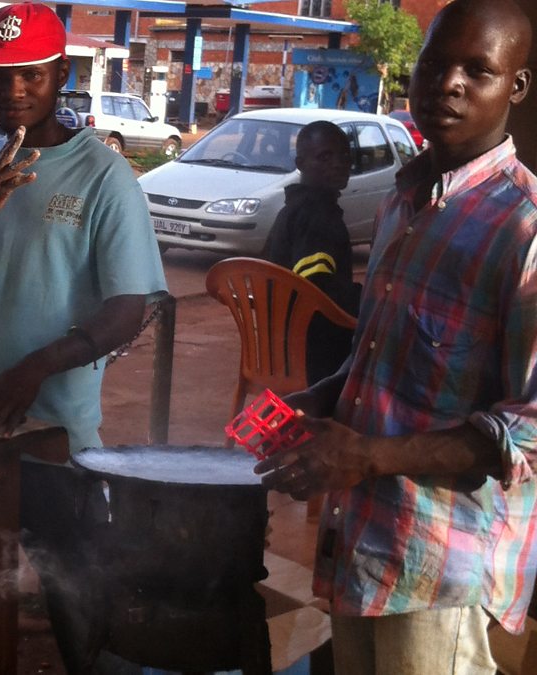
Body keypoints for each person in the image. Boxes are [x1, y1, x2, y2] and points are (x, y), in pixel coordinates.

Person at [255, 1, 536, 673]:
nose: (448, 85)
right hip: (363, 540)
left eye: (477, 70)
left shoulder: (524, 228)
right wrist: (321, 398)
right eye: (434, 65)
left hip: (443, 571)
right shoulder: (402, 201)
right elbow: (379, 356)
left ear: (516, 86)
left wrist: (366, 457)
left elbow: (529, 427)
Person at [0, 3, 166, 671]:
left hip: (58, 434)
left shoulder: (103, 175)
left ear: (62, 75)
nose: (14, 91)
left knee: (81, 608)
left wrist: (34, 369)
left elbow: (127, 309)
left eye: (31, 75)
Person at [265, 120, 361, 385]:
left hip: (278, 347)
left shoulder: (294, 208)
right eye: (325, 157)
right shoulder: (317, 214)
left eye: (344, 156)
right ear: (301, 164)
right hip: (311, 355)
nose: (338, 164)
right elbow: (315, 287)